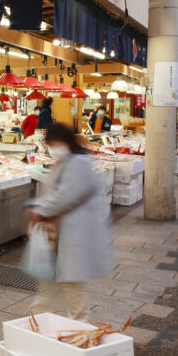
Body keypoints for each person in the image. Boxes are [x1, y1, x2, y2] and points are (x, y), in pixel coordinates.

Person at [28, 123, 112, 320]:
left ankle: (79, 328)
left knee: (72, 284)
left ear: (63, 141)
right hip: (59, 233)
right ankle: (38, 322)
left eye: (53, 142)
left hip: (74, 232)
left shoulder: (79, 163)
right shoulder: (67, 161)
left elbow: (66, 195)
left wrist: (41, 210)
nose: (52, 147)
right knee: (51, 279)